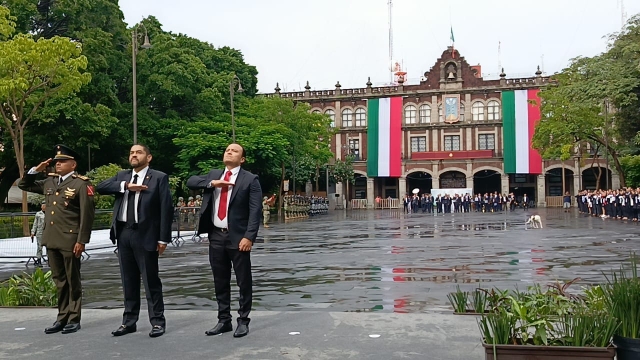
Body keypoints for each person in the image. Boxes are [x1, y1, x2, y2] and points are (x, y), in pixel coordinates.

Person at [96, 144, 173, 338]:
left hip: (145, 234)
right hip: (124, 233)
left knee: (150, 280)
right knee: (128, 280)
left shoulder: (158, 177)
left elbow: (166, 208)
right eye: (131, 152)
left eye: (138, 152)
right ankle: (129, 321)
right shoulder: (122, 176)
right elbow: (100, 187)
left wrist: (163, 238)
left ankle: (157, 322)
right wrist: (126, 186)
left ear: (148, 158)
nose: (134, 155)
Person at [187, 143, 262, 338]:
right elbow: (191, 181)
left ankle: (243, 320)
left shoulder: (250, 180)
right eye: (227, 150)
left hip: (238, 237)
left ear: (242, 159)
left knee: (243, 280)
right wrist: (213, 184)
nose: (229, 152)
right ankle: (224, 320)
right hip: (216, 235)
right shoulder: (214, 175)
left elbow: (255, 211)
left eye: (234, 151)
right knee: (220, 280)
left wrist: (249, 236)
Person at [18, 144, 95, 334]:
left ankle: (74, 318)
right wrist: (36, 170)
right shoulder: (49, 182)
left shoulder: (81, 184)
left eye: (62, 161)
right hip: (51, 239)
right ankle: (62, 317)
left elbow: (87, 214)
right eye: (56, 162)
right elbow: (24, 185)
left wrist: (82, 240)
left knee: (72, 280)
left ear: (73, 164)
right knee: (59, 280)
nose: (58, 164)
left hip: (70, 239)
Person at [30, 201, 46, 267]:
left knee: (49, 247)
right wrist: (33, 232)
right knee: (39, 247)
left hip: (47, 233)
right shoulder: (38, 214)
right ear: (41, 207)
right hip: (40, 232)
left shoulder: (49, 214)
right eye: (43, 205)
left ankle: (51, 260)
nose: (44, 207)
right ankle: (39, 260)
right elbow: (35, 224)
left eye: (45, 205)